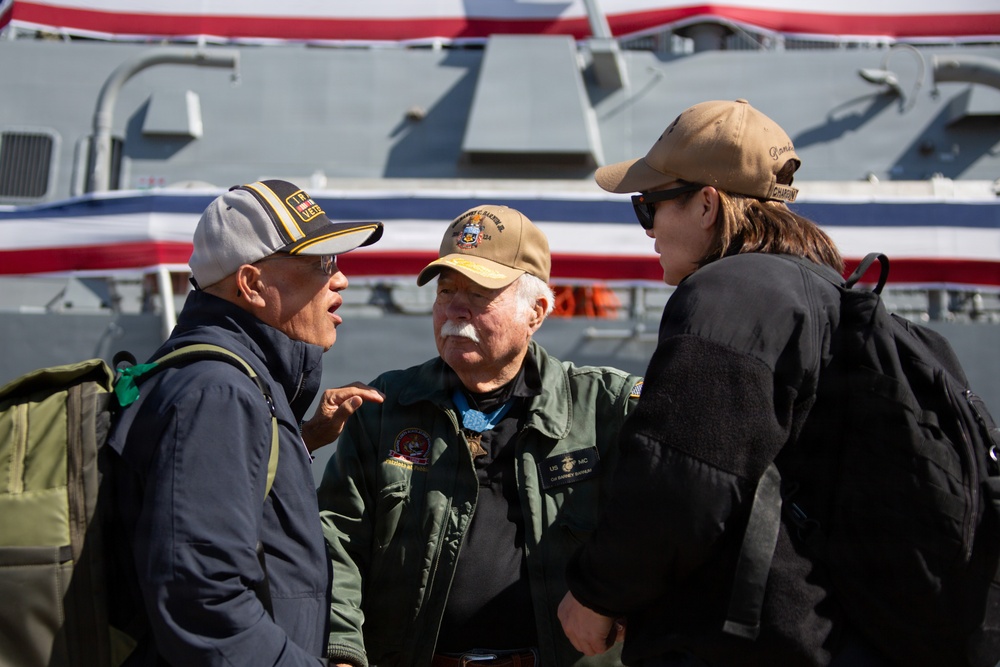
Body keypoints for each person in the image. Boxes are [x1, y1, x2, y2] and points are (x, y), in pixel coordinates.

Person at [558, 99, 891, 666]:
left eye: (649, 207)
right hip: (836, 634)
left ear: (707, 204)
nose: (649, 230)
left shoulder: (728, 294)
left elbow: (683, 478)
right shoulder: (828, 294)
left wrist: (596, 593)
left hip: (745, 642)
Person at [317, 204, 643, 667]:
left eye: (479, 293)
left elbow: (669, 516)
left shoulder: (604, 408)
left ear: (537, 311)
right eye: (446, 290)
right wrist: (342, 650)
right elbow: (337, 538)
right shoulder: (388, 407)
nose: (454, 310)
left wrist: (605, 594)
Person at [107, 179, 386, 666]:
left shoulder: (234, 380)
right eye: (321, 263)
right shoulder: (219, 391)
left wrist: (300, 441)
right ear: (253, 285)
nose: (339, 280)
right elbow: (202, 601)